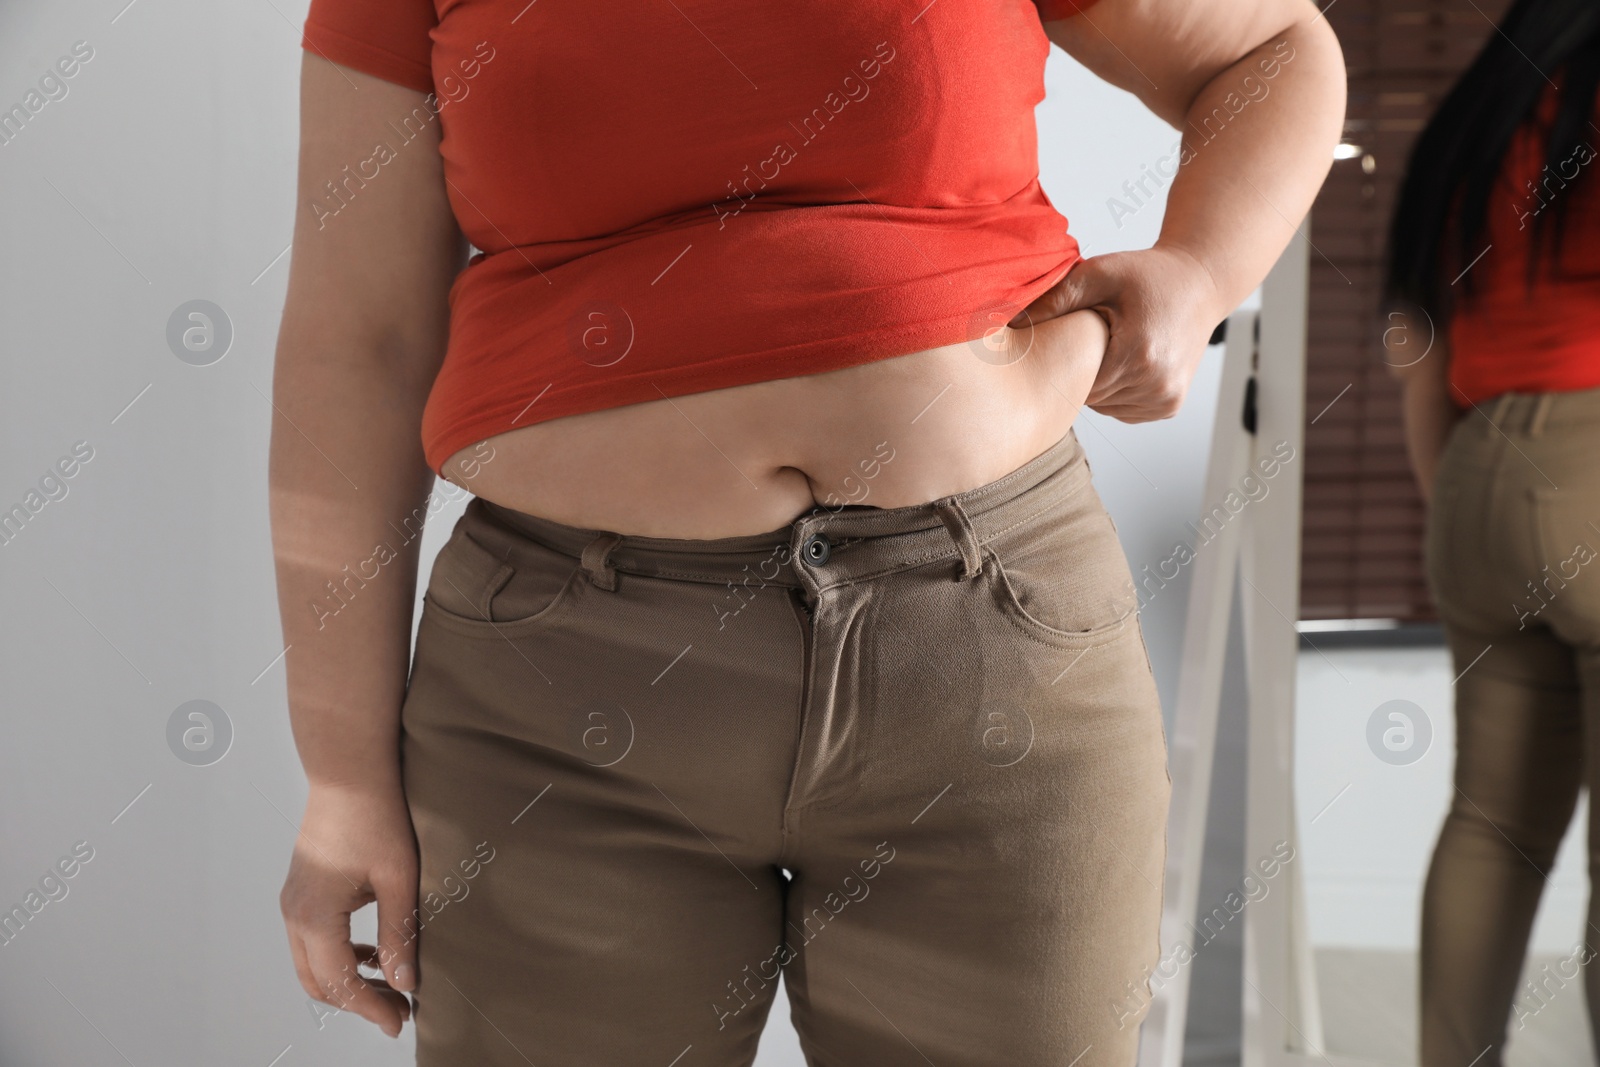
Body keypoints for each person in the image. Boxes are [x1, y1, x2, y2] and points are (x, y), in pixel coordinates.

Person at [269, 0, 1343, 1062]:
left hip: (989, 650)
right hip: (561, 697)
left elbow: (1271, 52)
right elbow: (355, 344)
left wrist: (1200, 270)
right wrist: (344, 780)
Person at [1385, 1, 1600, 1063]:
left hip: (1475, 470)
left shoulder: (1473, 119)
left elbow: (1412, 339)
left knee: (1492, 824)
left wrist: (1462, 499)